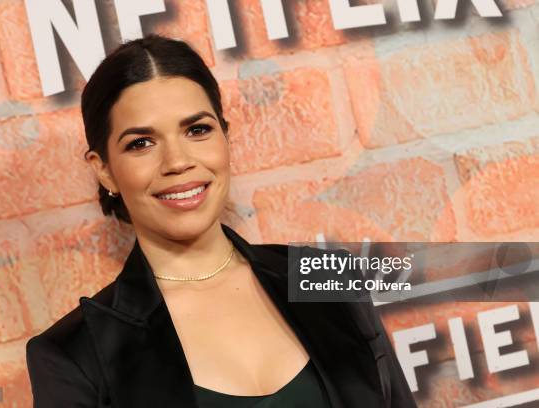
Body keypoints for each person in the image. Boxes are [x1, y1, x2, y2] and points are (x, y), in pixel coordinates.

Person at [25, 34, 417, 408]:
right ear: (105, 170)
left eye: (197, 130)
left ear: (225, 138)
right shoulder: (75, 354)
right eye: (141, 143)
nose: (177, 162)